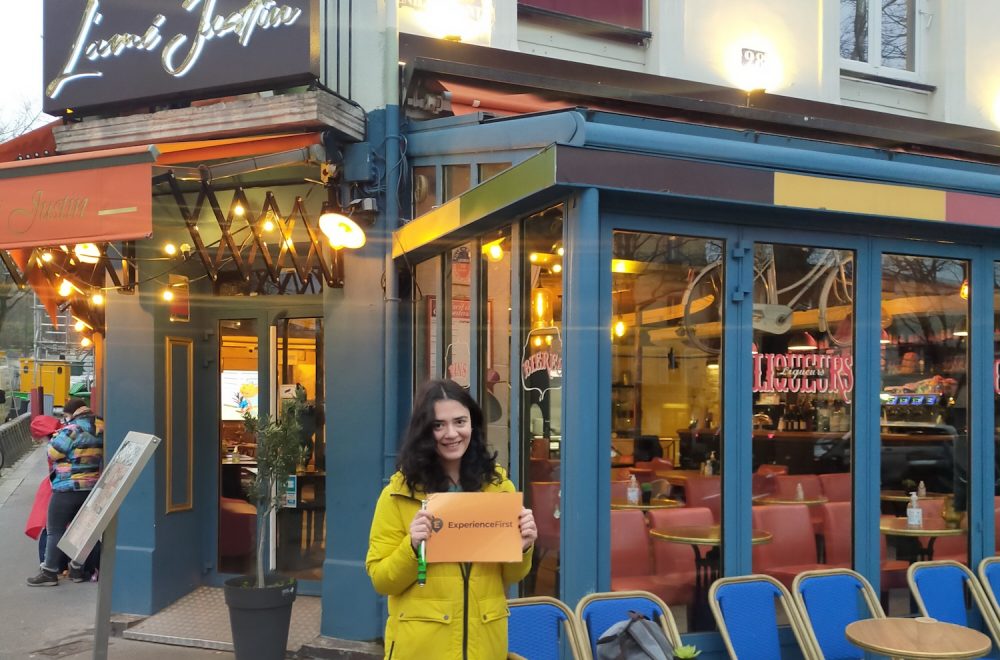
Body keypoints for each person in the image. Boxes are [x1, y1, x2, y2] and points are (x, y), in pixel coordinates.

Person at [366, 379, 537, 659]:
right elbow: (382, 581)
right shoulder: (397, 494)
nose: (451, 433)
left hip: (485, 646)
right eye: (438, 425)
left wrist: (525, 546)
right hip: (421, 648)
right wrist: (411, 548)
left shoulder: (498, 488)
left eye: (460, 422)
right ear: (424, 431)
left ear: (473, 425)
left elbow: (511, 576)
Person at [26, 398, 104, 587]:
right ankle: (77, 569)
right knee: (84, 531)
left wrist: (53, 438)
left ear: (72, 413)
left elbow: (53, 453)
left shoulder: (71, 430)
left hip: (67, 489)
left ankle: (50, 572)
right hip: (91, 488)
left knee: (55, 530)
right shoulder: (100, 427)